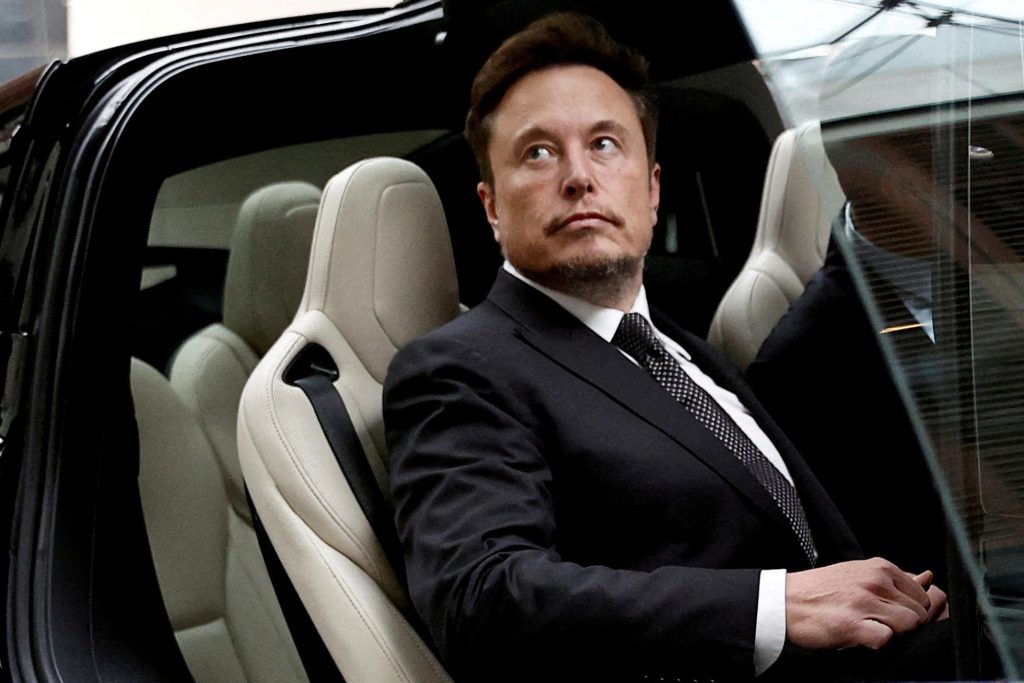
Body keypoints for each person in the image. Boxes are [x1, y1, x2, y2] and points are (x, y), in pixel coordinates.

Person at [384, 12, 949, 681]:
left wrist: (887, 598)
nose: (578, 176)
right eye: (537, 153)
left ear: (652, 191)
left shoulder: (688, 352)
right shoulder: (458, 369)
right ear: (491, 207)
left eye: (604, 144)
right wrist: (775, 605)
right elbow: (480, 599)